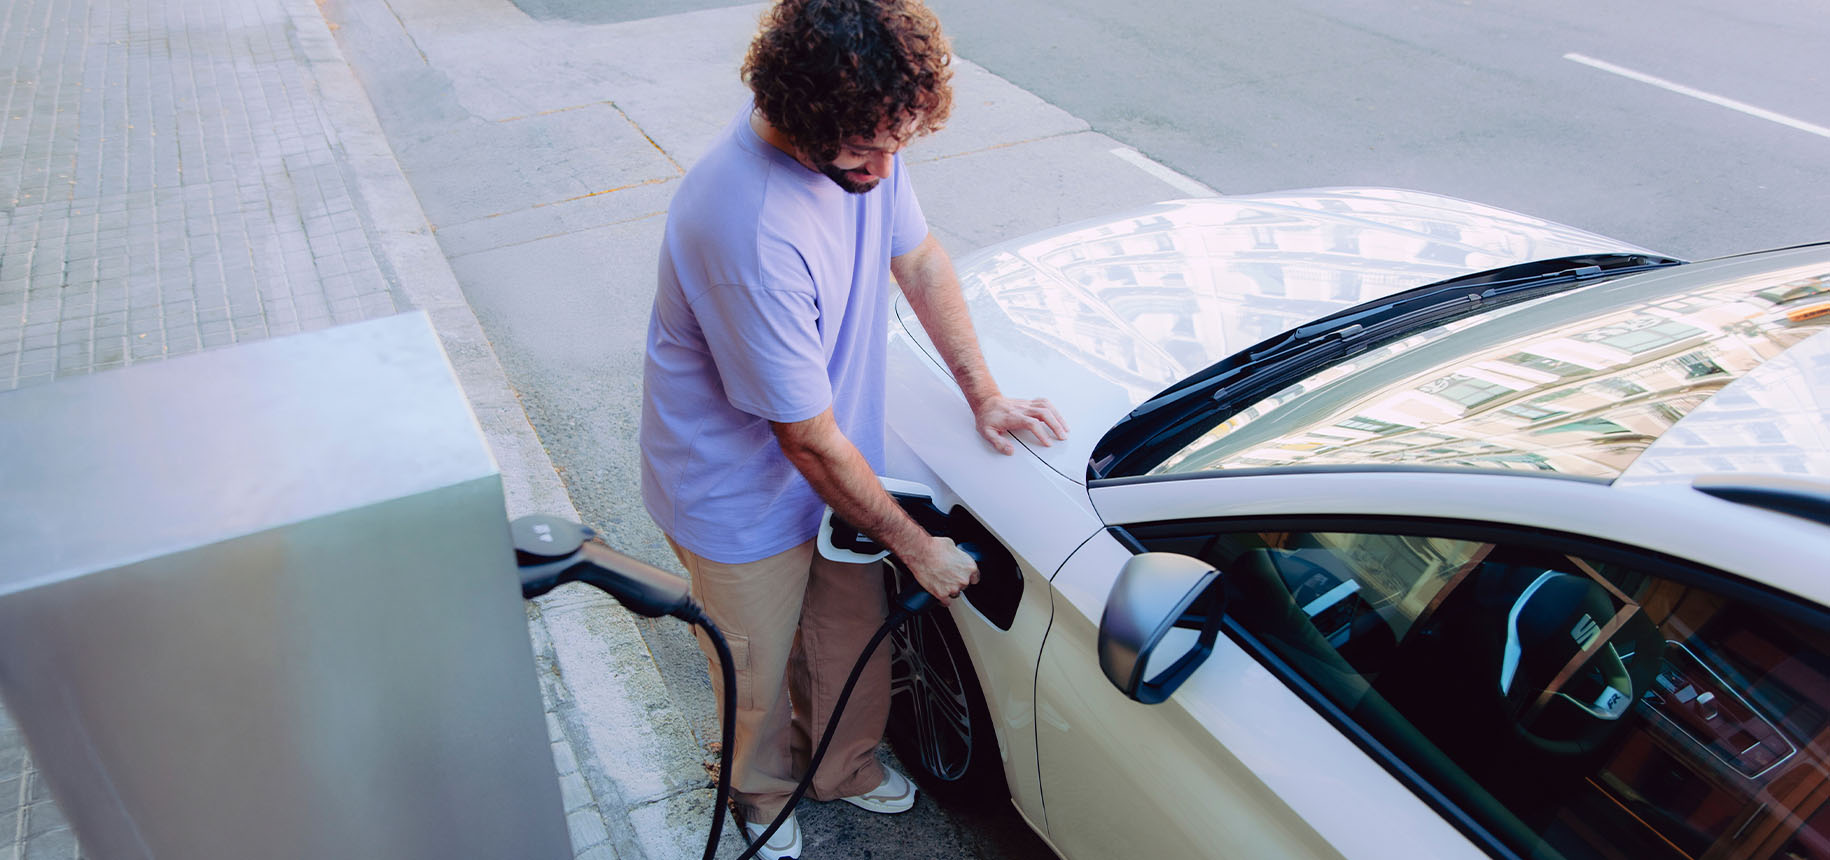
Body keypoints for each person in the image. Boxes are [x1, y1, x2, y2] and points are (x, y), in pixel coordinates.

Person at [638, 0, 1067, 856]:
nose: (884, 168)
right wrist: (919, 546)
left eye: (896, 144)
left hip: (835, 462)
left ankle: (844, 767)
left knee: (848, 638)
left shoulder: (867, 140)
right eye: (866, 151)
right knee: (754, 667)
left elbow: (921, 260)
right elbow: (801, 439)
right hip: (734, 491)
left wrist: (984, 394)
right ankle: (759, 794)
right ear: (799, 116)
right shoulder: (747, 227)